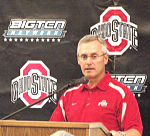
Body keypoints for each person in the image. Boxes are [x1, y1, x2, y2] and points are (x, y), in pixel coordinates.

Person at [50, 34, 143, 136]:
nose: (88, 62)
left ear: (105, 58)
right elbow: (52, 131)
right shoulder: (68, 96)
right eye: (84, 57)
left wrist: (118, 135)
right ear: (78, 60)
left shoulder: (121, 94)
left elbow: (136, 132)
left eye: (94, 56)